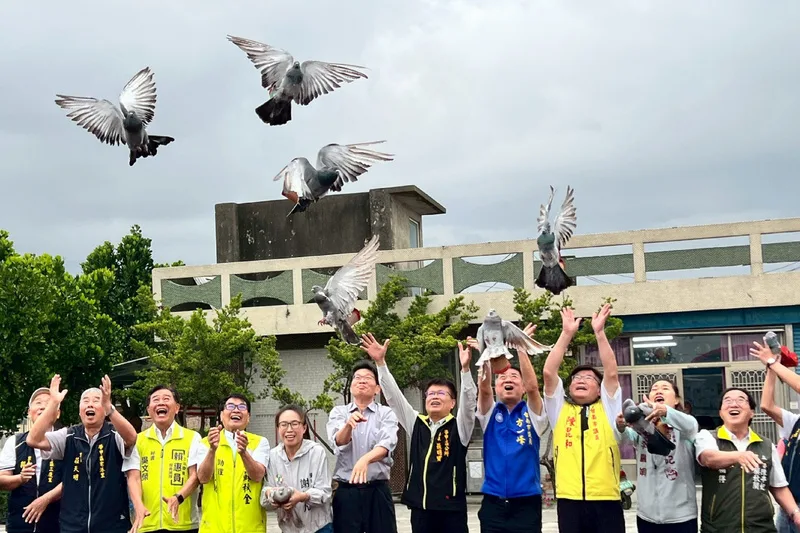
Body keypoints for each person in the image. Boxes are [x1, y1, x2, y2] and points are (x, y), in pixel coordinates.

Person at [363, 332, 477, 533]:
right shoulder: (417, 423)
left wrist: (466, 370)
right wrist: (380, 363)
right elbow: (393, 398)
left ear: (452, 403)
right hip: (420, 510)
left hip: (451, 510)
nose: (434, 397)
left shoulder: (459, 427)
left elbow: (469, 404)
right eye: (430, 393)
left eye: (441, 393)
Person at [542, 304, 625, 533]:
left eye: (589, 378)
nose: (581, 380)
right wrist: (566, 334)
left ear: (599, 390)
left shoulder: (607, 408)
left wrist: (599, 333)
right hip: (569, 499)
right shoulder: (559, 409)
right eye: (577, 377)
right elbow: (549, 373)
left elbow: (611, 373)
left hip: (606, 498)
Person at [26, 374, 138, 533]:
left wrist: (110, 409)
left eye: (96, 401)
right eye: (85, 401)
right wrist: (53, 404)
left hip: (112, 526)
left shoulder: (114, 434)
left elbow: (131, 438)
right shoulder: (69, 436)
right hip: (72, 525)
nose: (90, 404)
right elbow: (34, 440)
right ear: (80, 411)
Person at [473, 323, 548, 533]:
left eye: (515, 377)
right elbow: (484, 390)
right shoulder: (489, 414)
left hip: (527, 502)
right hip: (493, 502)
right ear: (497, 387)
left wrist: (521, 345)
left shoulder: (533, 414)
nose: (508, 379)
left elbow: (534, 388)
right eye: (502, 378)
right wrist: (488, 351)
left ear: (522, 387)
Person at [696, 387, 800, 532]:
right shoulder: (708, 436)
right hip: (718, 529)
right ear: (720, 412)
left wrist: (795, 513)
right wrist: (738, 456)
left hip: (762, 528)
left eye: (740, 400)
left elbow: (779, 486)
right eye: (727, 400)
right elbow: (708, 458)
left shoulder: (766, 444)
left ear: (752, 413)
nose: (733, 404)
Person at [326, 360, 399, 533]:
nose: (362, 381)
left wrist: (365, 460)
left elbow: (386, 444)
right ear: (351, 386)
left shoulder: (386, 413)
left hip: (377, 491)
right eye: (357, 378)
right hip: (347, 492)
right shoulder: (339, 412)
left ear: (377, 389)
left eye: (368, 378)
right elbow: (338, 441)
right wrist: (348, 425)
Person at [615, 380, 699, 532]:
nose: (659, 391)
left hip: (681, 517)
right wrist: (620, 426)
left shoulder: (684, 427)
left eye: (665, 388)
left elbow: (691, 424)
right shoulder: (642, 428)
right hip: (646, 516)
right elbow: (623, 438)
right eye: (654, 389)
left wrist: (665, 411)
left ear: (676, 400)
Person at [124, 385, 203, 533]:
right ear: (149, 410)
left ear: (177, 407)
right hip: (147, 524)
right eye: (155, 400)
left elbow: (195, 476)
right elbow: (133, 478)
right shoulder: (139, 440)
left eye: (166, 399)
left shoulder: (192, 438)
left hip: (183, 524)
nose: (161, 403)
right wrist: (138, 506)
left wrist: (178, 497)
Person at [196, 394, 269, 533]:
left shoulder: (260, 442)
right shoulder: (205, 443)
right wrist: (212, 450)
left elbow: (258, 475)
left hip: (250, 528)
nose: (236, 410)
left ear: (248, 417)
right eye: (230, 406)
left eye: (242, 407)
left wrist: (244, 452)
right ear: (222, 415)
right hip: (214, 528)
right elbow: (203, 478)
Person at [0, 387, 64, 533]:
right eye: (38, 403)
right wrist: (20, 478)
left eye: (48, 403)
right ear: (29, 413)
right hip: (20, 524)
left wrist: (45, 499)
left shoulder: (68, 440)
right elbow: (2, 480)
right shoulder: (14, 442)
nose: (42, 406)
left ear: (58, 413)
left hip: (58, 524)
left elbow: (75, 480)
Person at [261, 404, 333, 533]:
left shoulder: (316, 452)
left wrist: (303, 496)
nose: (289, 429)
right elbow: (265, 494)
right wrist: (272, 496)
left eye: (294, 423)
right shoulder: (273, 456)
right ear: (278, 428)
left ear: (304, 427)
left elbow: (325, 493)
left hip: (319, 528)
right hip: (289, 529)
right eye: (283, 424)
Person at [753, 339, 800, 532]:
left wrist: (774, 362)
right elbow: (767, 406)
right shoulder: (795, 422)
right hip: (790, 507)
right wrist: (770, 370)